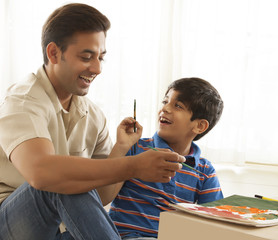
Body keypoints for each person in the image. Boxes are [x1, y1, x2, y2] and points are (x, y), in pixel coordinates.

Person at [0, 3, 185, 240]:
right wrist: (135, 166)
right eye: (87, 57)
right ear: (54, 53)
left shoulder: (93, 115)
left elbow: (102, 195)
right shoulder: (23, 101)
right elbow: (41, 174)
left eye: (101, 57)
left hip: (59, 228)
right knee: (62, 182)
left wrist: (121, 148)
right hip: (10, 223)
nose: (97, 68)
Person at [109, 77, 224, 239]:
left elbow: (215, 221)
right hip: (122, 235)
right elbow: (103, 195)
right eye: (165, 102)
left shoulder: (205, 171)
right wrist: (120, 147)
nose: (165, 109)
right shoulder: (135, 147)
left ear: (199, 126)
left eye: (177, 105)